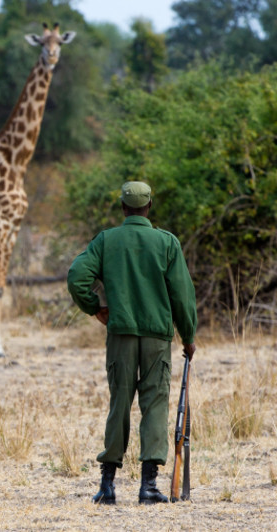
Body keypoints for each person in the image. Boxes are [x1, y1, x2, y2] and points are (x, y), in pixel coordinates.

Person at [67, 181, 197, 505]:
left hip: (120, 335)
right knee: (155, 404)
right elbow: (182, 295)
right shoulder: (167, 242)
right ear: (149, 206)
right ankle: (148, 486)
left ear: (123, 208)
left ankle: (108, 486)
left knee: (119, 404)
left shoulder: (106, 240)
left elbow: (76, 277)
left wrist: (95, 308)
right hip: (157, 338)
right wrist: (188, 336)